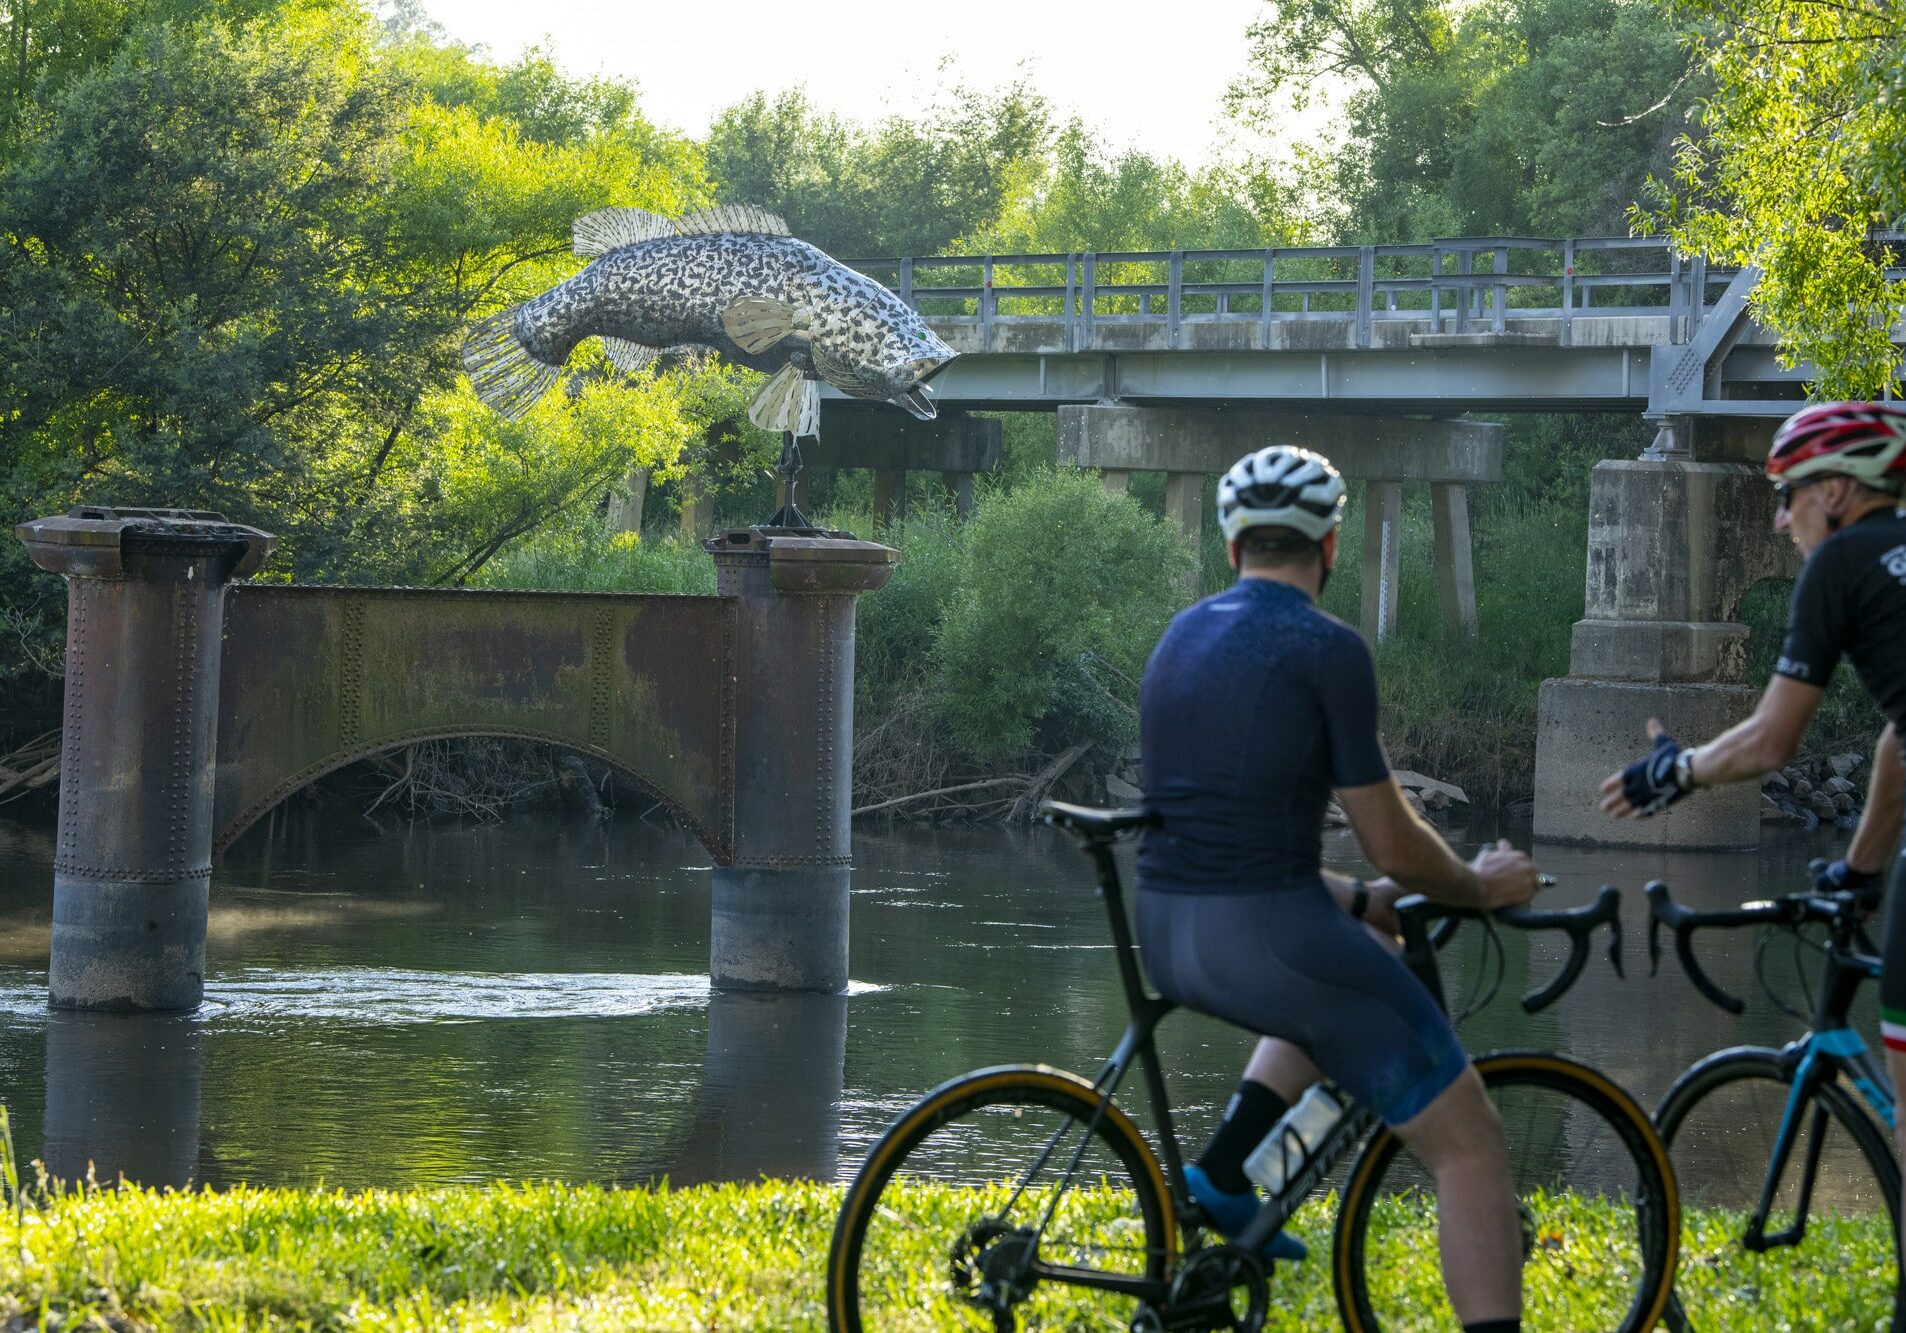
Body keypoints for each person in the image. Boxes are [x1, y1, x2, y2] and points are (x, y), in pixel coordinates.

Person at [1136, 444, 1538, 1333]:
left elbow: (1221, 841)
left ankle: (1229, 1171)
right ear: (1329, 547)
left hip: (1167, 933)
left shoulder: (1180, 636)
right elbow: (1392, 837)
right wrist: (1476, 882)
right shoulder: (1327, 648)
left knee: (1369, 947)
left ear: (1232, 547)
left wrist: (1357, 903)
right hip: (1268, 944)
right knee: (1470, 1143)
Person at [1598, 400, 1906, 1322]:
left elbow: (1771, 741)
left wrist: (1674, 771)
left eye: (1788, 496)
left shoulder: (1846, 564)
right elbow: (1900, 739)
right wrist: (1859, 866)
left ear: (1840, 494)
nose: (1779, 519)